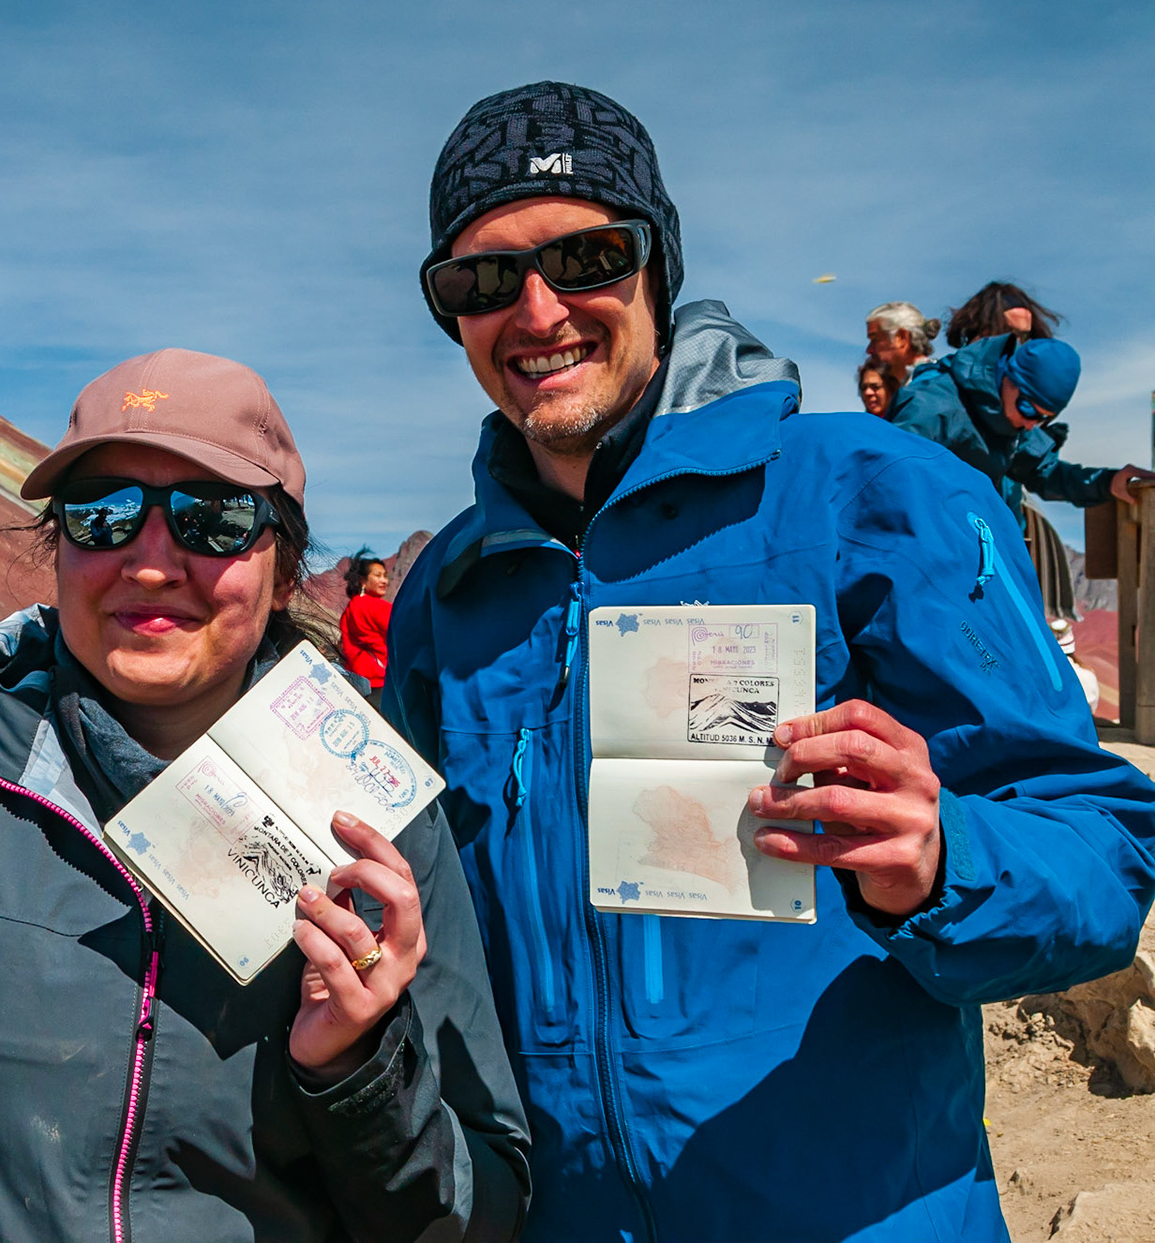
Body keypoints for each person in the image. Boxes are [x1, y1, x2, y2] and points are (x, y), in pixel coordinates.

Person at [395, 80, 1155, 1241]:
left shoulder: (870, 494)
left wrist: (947, 855)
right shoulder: (444, 596)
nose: (538, 311)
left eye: (588, 256)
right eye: (483, 280)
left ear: (659, 265)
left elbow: (1104, 850)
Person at [0, 348, 532, 1242]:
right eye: (103, 513)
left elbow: (478, 1211)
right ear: (59, 547)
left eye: (216, 518)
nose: (151, 563)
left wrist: (356, 1069)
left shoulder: (374, 823)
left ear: (282, 565)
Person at [887, 332, 1155, 524]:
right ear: (1009, 377)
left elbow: (1046, 473)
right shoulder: (931, 407)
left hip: (984, 553)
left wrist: (1108, 482)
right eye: (1028, 408)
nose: (1030, 424)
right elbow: (890, 484)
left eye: (1043, 418)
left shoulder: (1011, 421)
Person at [338, 547, 392, 701]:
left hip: (358, 682)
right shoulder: (375, 606)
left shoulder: (352, 607)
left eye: (385, 576)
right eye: (378, 575)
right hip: (381, 682)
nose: (384, 580)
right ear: (363, 580)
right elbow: (405, 633)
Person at [947, 280, 1063, 350]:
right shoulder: (940, 384)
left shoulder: (1028, 384)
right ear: (983, 331)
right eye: (1010, 333)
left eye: (1025, 336)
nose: (1019, 343)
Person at [865, 300, 941, 388]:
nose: (869, 350)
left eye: (875, 340)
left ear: (901, 337)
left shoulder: (928, 385)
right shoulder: (913, 385)